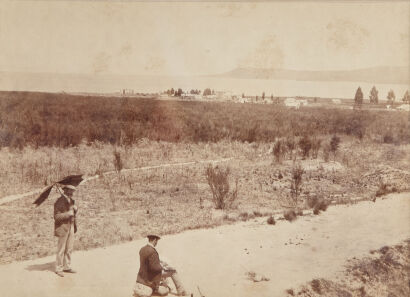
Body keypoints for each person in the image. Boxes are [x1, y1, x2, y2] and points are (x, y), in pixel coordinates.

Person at [54, 184, 78, 277]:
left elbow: (73, 212)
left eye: (73, 191)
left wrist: (75, 209)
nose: (72, 192)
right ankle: (59, 268)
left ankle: (67, 267)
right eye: (71, 191)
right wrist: (68, 213)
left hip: (71, 226)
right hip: (63, 227)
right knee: (61, 249)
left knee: (69, 248)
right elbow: (56, 217)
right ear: (66, 190)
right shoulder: (59, 202)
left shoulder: (71, 201)